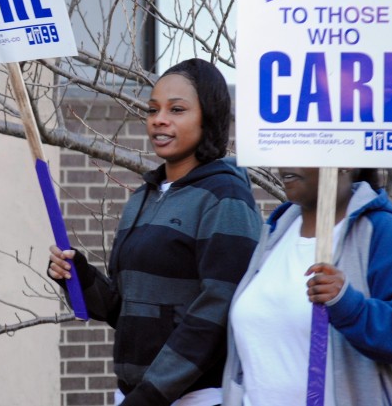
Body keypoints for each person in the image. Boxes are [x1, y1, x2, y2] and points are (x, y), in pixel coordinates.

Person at [49, 58, 262, 406]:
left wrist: (152, 393)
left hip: (197, 397)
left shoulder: (226, 198)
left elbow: (219, 310)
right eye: (153, 109)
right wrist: (80, 277)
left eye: (176, 109)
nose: (159, 119)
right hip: (134, 395)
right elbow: (125, 309)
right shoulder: (142, 198)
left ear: (208, 117)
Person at [222, 167, 392, 406]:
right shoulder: (277, 232)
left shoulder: (381, 231)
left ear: (345, 162)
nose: (286, 164)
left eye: (303, 150)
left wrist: (351, 307)